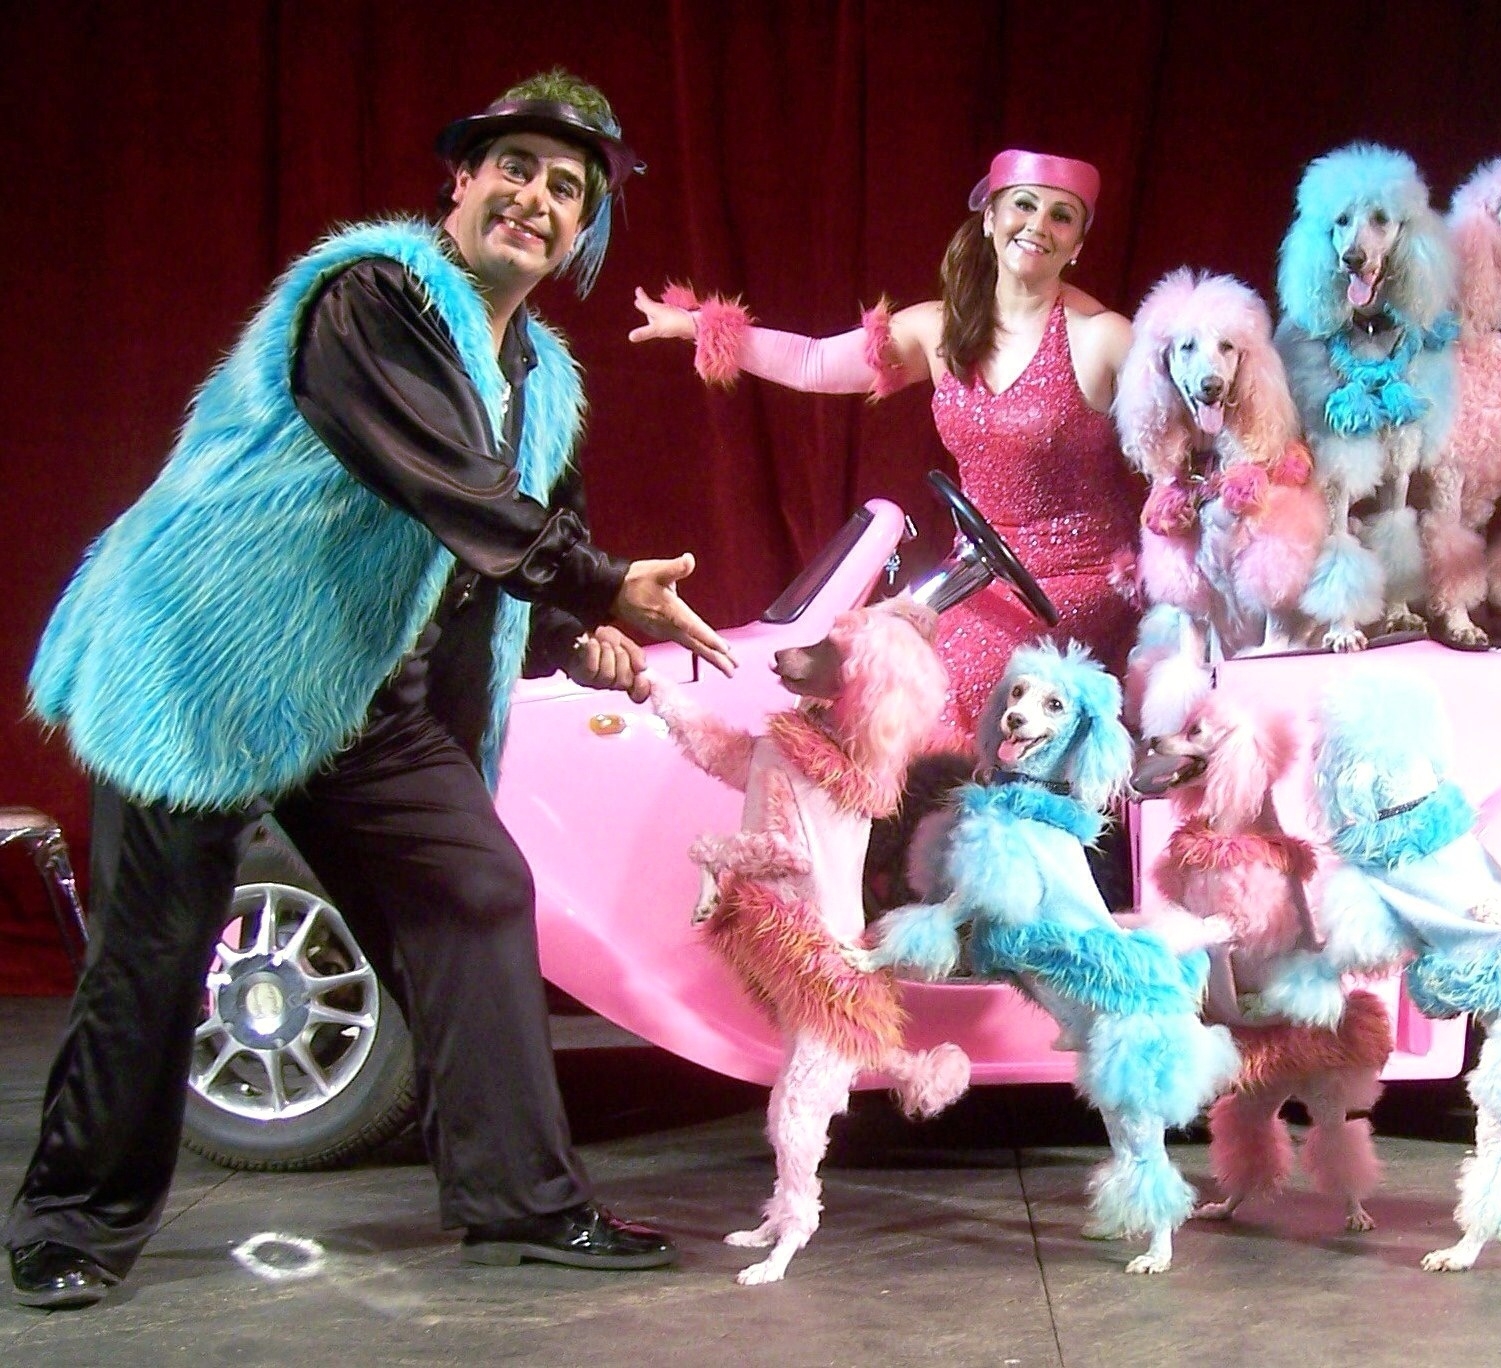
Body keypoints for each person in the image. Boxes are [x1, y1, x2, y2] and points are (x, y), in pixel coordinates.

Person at [8, 71, 738, 1310]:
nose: (535, 198)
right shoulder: (372, 299)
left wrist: (578, 629)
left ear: (583, 230)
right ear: (461, 181)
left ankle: (521, 1202)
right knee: (157, 948)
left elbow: (515, 543)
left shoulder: (544, 380)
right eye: (514, 168)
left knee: (475, 888)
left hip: (360, 688)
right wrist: (603, 586)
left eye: (566, 188)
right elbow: (447, 487)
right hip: (206, 656)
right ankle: (72, 1220)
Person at [631, 150, 1140, 730]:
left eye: (1061, 216)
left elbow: (1193, 435)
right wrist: (697, 325)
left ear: (1077, 245)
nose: (1038, 225)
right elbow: (814, 362)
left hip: (1082, 582)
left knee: (937, 691)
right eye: (1024, 205)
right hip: (977, 578)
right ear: (990, 219)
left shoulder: (1104, 337)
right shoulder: (943, 329)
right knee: (847, 674)